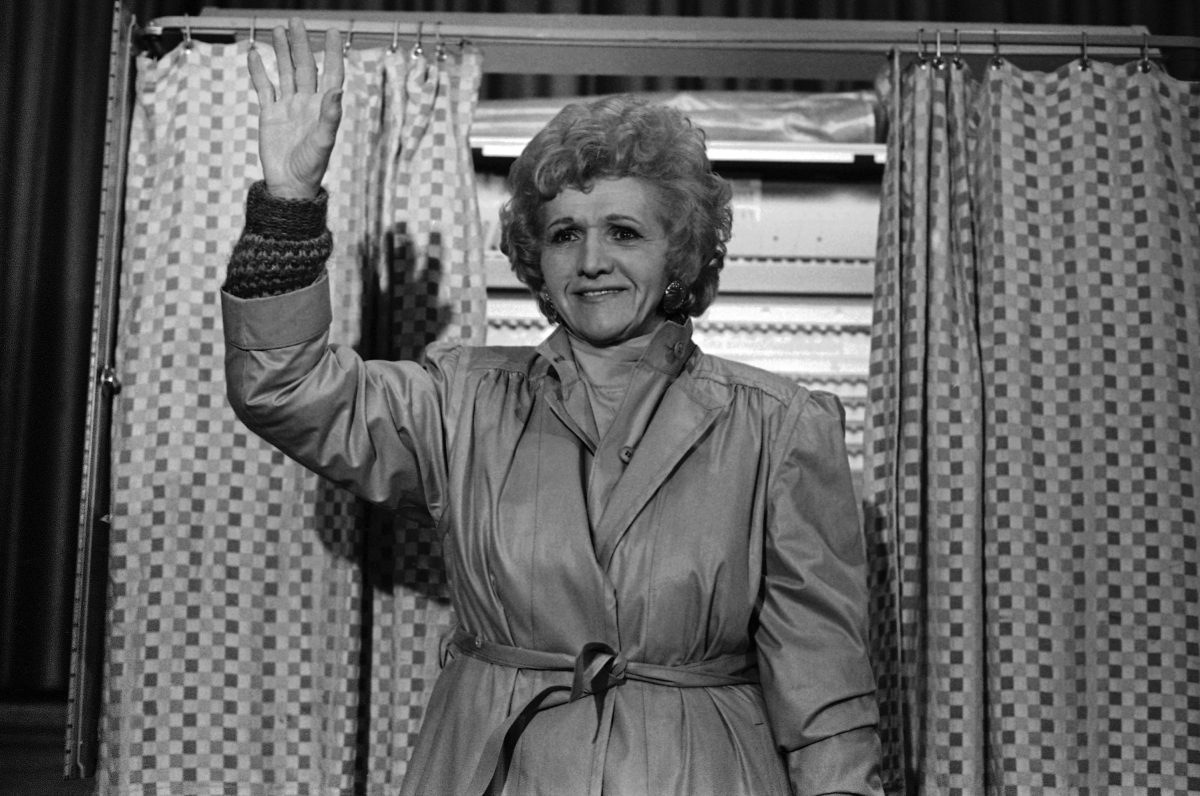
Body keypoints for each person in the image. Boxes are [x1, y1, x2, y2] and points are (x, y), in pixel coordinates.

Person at [222, 18, 883, 796]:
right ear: (537, 257)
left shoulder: (782, 426)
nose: (592, 260)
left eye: (624, 232)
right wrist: (289, 202)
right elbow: (285, 388)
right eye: (566, 234)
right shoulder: (460, 400)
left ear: (680, 253)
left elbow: (826, 690)